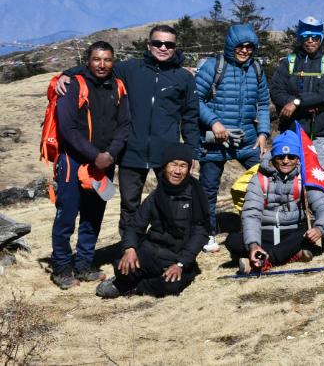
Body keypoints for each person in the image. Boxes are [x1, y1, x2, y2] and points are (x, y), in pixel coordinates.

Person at [55, 24, 201, 239]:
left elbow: (190, 116)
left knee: (172, 203)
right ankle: (129, 254)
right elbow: (98, 68)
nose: (163, 47)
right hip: (130, 153)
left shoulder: (184, 77)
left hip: (167, 154)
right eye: (158, 43)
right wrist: (67, 74)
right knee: (130, 207)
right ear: (148, 44)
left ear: (175, 47)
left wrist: (190, 152)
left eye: (169, 44)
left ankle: (168, 250)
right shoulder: (129, 69)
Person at [50, 41, 130, 290]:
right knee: (67, 215)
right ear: (88, 60)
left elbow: (125, 124)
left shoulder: (117, 86)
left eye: (107, 59)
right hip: (73, 160)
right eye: (97, 59)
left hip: (104, 161)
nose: (102, 64)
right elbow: (67, 128)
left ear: (113, 61)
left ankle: (85, 263)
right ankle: (62, 267)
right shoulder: (73, 85)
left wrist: (110, 154)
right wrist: (95, 155)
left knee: (93, 214)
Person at [194, 23, 271, 253]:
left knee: (265, 178)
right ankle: (207, 233)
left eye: (250, 47)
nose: (245, 50)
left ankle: (264, 226)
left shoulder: (256, 69)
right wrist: (214, 122)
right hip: (215, 140)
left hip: (247, 140)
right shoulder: (213, 67)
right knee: (208, 189)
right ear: (231, 45)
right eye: (241, 46)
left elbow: (264, 104)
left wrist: (263, 133)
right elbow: (194, 99)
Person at [96, 144, 209, 298]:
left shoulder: (196, 195)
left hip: (177, 257)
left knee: (171, 286)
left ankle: (136, 287)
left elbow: (200, 234)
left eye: (183, 166)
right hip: (151, 252)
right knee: (121, 264)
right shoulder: (156, 195)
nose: (177, 171)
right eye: (173, 164)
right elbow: (135, 226)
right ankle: (125, 280)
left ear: (188, 169)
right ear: (165, 166)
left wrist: (181, 264)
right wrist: (130, 249)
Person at [224, 131, 324, 273]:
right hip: (265, 233)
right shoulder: (259, 178)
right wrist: (253, 244)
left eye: (292, 157)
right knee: (232, 241)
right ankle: (292, 255)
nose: (286, 161)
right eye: (281, 156)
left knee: (309, 231)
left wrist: (319, 229)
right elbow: (252, 213)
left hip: (293, 232)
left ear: (298, 158)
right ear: (273, 156)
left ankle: (265, 261)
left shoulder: (306, 178)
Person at [270, 16, 324, 168]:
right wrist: (304, 104)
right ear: (300, 38)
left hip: (319, 129)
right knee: (290, 172)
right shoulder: (289, 62)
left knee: (316, 173)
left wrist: (295, 102)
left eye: (315, 37)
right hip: (292, 128)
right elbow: (276, 90)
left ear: (321, 39)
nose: (311, 40)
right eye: (306, 36)